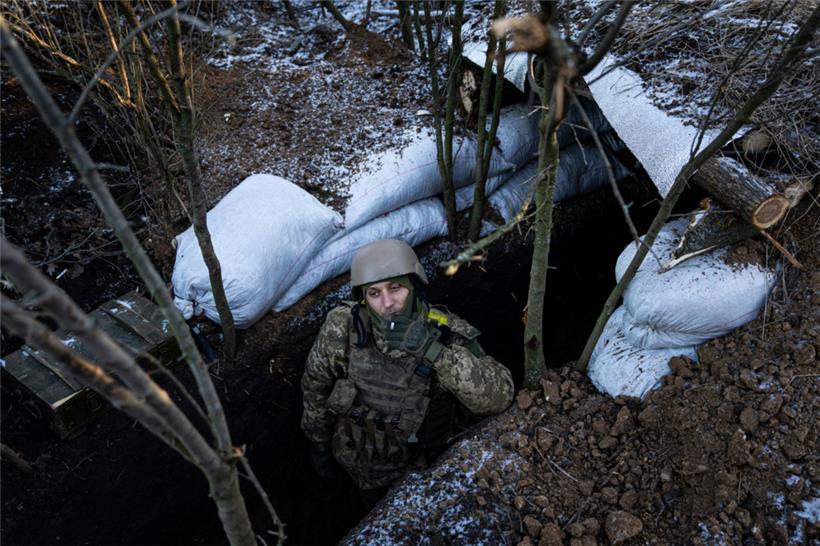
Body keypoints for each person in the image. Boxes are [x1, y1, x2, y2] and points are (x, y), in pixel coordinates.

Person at [301, 239, 514, 505]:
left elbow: (499, 398)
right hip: (356, 462)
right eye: (374, 293)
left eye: (395, 288)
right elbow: (316, 384)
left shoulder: (447, 334)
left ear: (414, 285)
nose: (387, 303)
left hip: (422, 476)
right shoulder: (344, 325)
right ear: (363, 298)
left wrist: (432, 351)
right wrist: (318, 441)